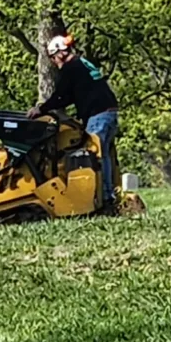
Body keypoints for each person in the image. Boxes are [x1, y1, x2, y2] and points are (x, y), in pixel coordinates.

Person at [33, 30, 121, 212]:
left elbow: (60, 97)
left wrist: (40, 109)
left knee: (95, 157)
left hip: (98, 115)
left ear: (60, 53)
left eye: (53, 58)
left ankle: (105, 199)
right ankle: (109, 196)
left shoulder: (70, 68)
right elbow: (72, 95)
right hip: (109, 113)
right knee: (103, 156)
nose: (54, 63)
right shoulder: (82, 64)